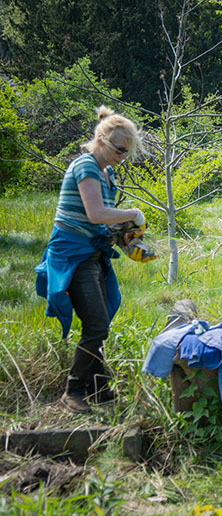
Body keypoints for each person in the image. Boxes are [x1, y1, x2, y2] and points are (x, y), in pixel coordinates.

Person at [34, 105, 146, 413]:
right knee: (96, 323)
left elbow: (103, 222)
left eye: (127, 152)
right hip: (73, 253)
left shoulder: (105, 173)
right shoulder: (85, 166)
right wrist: (133, 214)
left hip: (93, 252)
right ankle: (73, 391)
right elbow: (96, 213)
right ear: (101, 140)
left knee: (102, 317)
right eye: (120, 150)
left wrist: (128, 240)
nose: (122, 157)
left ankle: (99, 387)